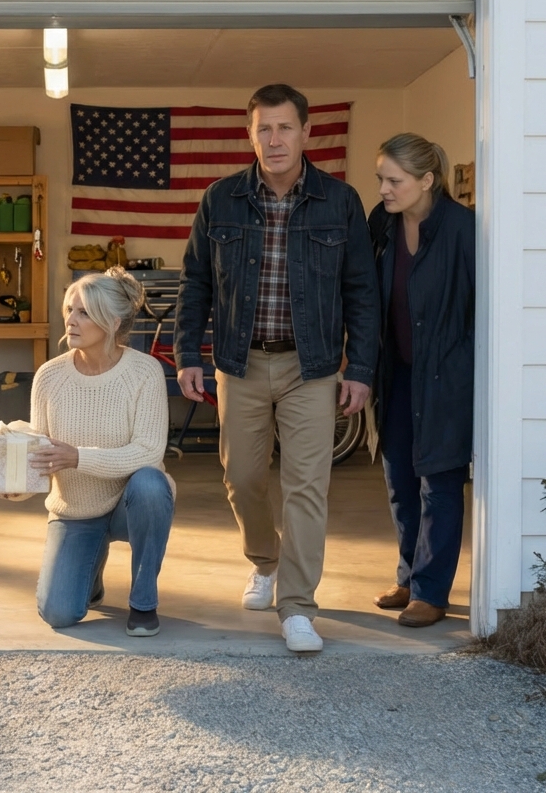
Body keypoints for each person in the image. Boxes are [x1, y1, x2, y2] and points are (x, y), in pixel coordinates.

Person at [174, 83, 379, 653]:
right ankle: (264, 562)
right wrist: (188, 354)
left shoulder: (340, 202)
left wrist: (359, 368)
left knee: (306, 486)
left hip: (311, 366)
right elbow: (195, 283)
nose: (275, 139)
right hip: (239, 364)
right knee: (242, 478)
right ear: (251, 134)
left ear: (307, 132)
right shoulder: (221, 199)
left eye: (285, 127)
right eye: (264, 128)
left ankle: (297, 606)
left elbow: (362, 292)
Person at [28, 268, 174, 637]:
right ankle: (89, 568)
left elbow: (149, 451)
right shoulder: (48, 376)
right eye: (69, 309)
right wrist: (12, 479)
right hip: (75, 509)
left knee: (153, 484)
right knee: (58, 613)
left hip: (131, 503)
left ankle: (143, 603)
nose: (70, 320)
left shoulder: (145, 372)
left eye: (83, 313)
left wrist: (78, 457)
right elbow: (42, 453)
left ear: (113, 321)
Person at [368, 134, 475, 627]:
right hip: (398, 374)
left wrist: (462, 366)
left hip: (445, 376)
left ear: (427, 180)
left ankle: (432, 592)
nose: (385, 190)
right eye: (381, 180)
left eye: (395, 181)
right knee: (400, 482)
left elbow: (479, 309)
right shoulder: (382, 226)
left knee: (439, 481)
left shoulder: (461, 229)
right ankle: (410, 576)